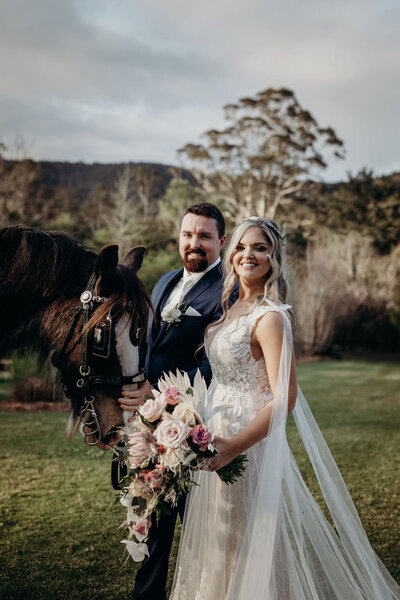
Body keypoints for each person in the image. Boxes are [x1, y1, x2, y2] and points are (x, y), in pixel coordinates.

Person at [170, 217, 400, 600]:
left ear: (273, 258)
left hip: (245, 442)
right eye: (242, 247)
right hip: (213, 436)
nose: (249, 254)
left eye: (260, 248)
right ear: (230, 254)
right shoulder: (232, 310)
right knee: (220, 541)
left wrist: (233, 447)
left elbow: (285, 397)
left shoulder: (270, 317)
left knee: (248, 541)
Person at [118, 202, 227, 600]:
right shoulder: (164, 281)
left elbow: (222, 365)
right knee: (152, 518)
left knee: (199, 526)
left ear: (221, 241)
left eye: (204, 236)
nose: (193, 243)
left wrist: (164, 396)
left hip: (196, 425)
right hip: (151, 425)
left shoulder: (227, 289)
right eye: (187, 234)